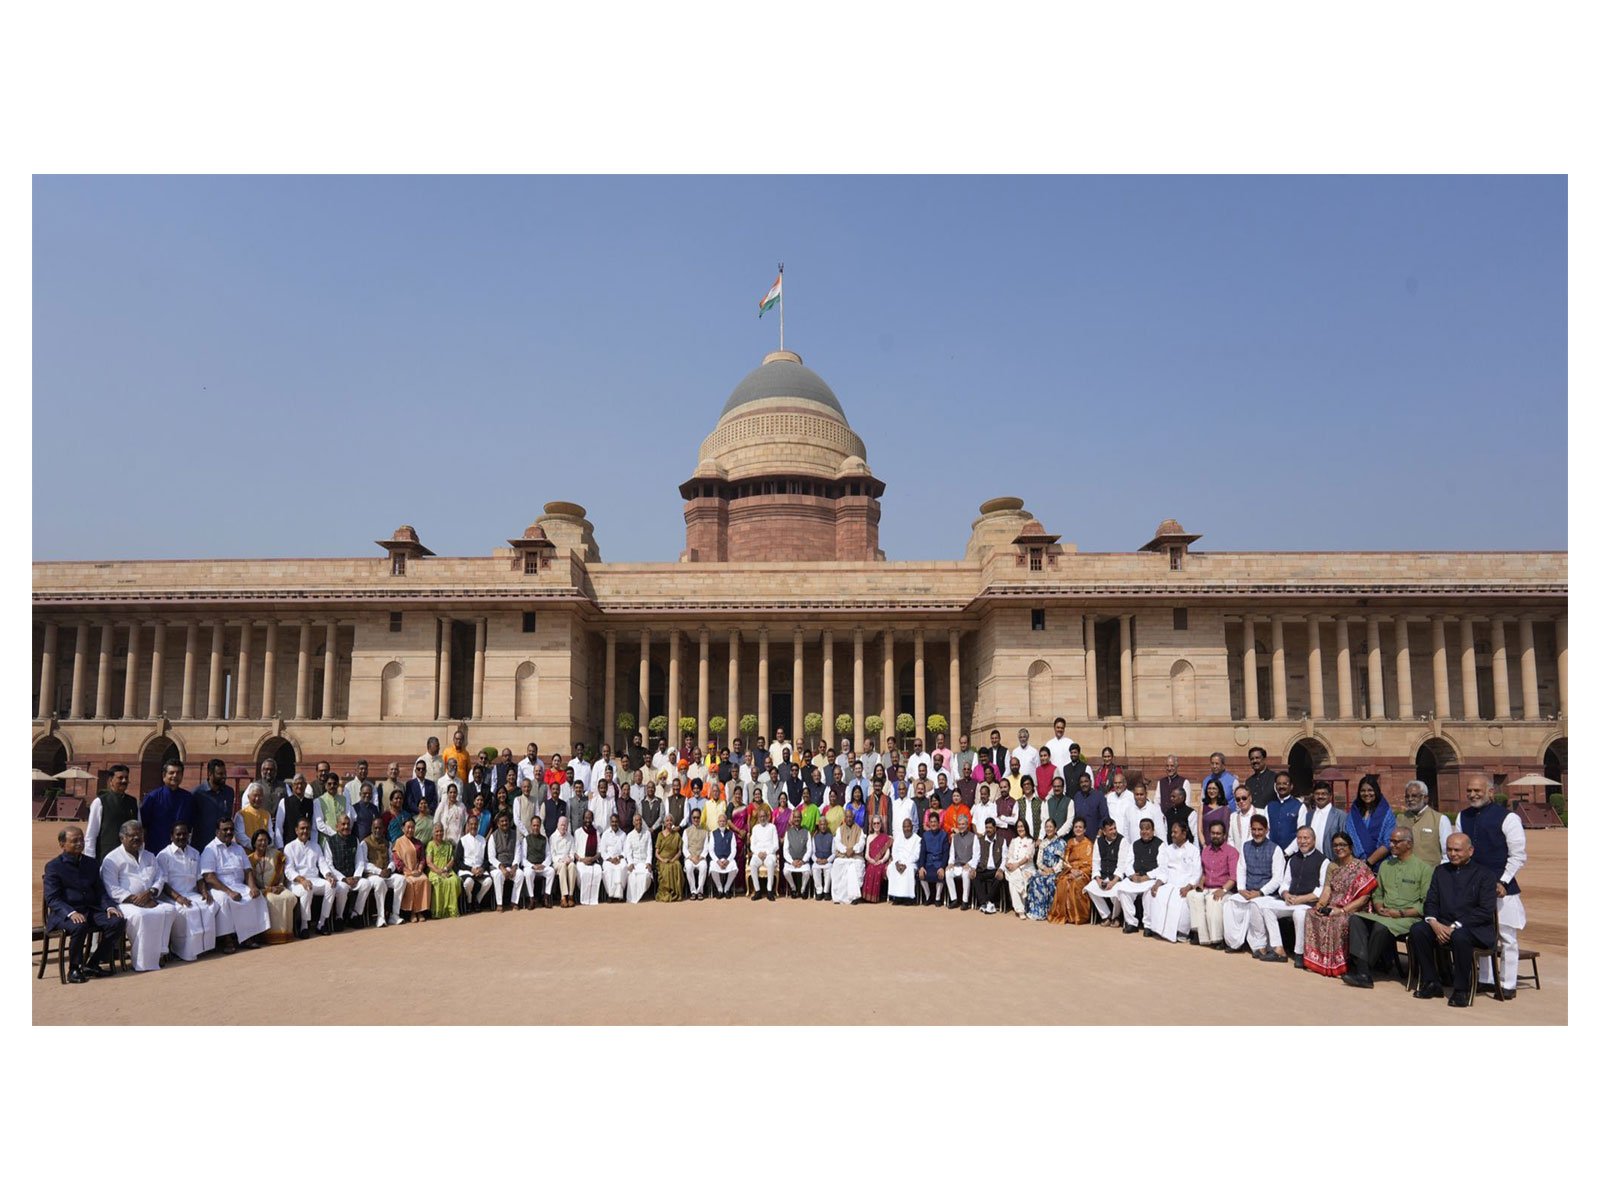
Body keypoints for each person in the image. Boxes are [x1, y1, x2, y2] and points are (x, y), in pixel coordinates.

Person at [1455, 773, 1528, 999]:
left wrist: (1503, 881)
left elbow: (1518, 856)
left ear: (1490, 791)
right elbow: (1456, 851)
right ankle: (1486, 979)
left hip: (1502, 886)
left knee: (1506, 936)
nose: (1472, 794)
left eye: (1477, 790)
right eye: (1469, 791)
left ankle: (1508, 984)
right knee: (1480, 932)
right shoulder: (1462, 816)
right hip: (1473, 887)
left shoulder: (1508, 818)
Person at [1410, 833, 1499, 1006]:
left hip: (1474, 928)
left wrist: (1454, 927)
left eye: (1457, 850)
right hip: (1442, 925)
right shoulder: (1441, 871)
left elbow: (1485, 911)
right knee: (1418, 930)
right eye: (1449, 850)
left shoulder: (1485, 875)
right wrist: (1433, 923)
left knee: (1460, 936)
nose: (1452, 854)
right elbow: (1431, 901)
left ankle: (1461, 989)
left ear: (1470, 851)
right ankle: (1431, 982)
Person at [1345, 828, 1434, 988]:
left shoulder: (1423, 869)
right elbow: (1377, 893)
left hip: (1408, 917)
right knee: (1356, 919)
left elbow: (1426, 903)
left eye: (1396, 842)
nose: (1391, 845)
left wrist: (1401, 913)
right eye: (1391, 841)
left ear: (1408, 844)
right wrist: (1378, 906)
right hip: (1384, 914)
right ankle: (1363, 970)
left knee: (1381, 927)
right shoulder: (1386, 865)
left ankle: (1363, 971)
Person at [43, 826, 125, 981]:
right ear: (62, 844)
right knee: (80, 925)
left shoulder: (91, 863)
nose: (80, 843)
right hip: (64, 914)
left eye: (81, 839)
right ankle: (74, 969)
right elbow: (53, 898)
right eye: (74, 841)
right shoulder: (54, 867)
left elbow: (100, 891)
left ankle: (93, 964)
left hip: (89, 910)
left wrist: (109, 907)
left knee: (117, 922)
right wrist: (71, 913)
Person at [99, 821, 177, 971]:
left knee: (169, 910)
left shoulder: (149, 856)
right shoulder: (112, 859)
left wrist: (150, 893)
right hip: (124, 903)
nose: (136, 838)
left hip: (149, 898)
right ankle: (142, 962)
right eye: (132, 835)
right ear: (122, 838)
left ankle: (159, 953)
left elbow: (160, 877)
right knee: (141, 916)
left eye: (139, 834)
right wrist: (137, 900)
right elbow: (112, 889)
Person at [1301, 831, 1378, 977]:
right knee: (1311, 914)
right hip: (1333, 905)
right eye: (1335, 845)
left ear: (1350, 847)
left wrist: (1342, 911)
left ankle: (1338, 966)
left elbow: (1364, 898)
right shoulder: (1332, 866)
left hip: (1354, 908)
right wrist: (1321, 904)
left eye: (1342, 845)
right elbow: (1327, 889)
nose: (1338, 848)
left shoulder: (1361, 867)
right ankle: (1318, 962)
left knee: (1337, 921)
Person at [1223, 815, 1287, 957]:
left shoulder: (1275, 849)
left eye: (1260, 829)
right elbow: (1241, 869)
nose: (1257, 833)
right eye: (1254, 829)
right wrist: (1241, 889)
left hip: (1268, 895)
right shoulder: (1246, 846)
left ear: (1266, 830)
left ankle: (1260, 945)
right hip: (1247, 891)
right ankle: (1234, 943)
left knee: (1255, 905)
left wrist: (1260, 893)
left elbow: (1277, 879)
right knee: (1230, 903)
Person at [156, 823, 218, 960]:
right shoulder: (163, 855)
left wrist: (204, 892)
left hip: (192, 894)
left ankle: (203, 948)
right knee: (187, 910)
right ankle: (183, 951)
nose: (182, 837)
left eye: (185, 834)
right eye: (178, 834)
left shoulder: (194, 853)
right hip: (171, 896)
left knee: (210, 905)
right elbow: (163, 883)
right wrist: (178, 898)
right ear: (171, 836)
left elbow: (199, 878)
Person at [1144, 820, 1202, 942]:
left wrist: (1188, 887)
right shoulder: (1168, 849)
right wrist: (1157, 883)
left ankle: (1181, 932)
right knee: (1152, 893)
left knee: (1182, 902)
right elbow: (1164, 870)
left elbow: (1197, 872)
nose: (1172, 835)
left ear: (1184, 834)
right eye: (1171, 832)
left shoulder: (1193, 850)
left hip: (1184, 886)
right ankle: (1153, 927)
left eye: (1175, 832)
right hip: (1169, 884)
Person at [284, 818, 342, 936]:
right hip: (297, 882)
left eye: (307, 829)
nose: (305, 831)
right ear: (296, 830)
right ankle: (304, 926)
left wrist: (328, 875)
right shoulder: (289, 847)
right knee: (307, 888)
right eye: (302, 828)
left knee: (331, 885)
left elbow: (322, 864)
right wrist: (302, 880)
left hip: (314, 880)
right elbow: (288, 870)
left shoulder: (315, 846)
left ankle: (321, 923)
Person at [1188, 821, 1239, 948]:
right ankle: (1201, 935)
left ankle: (1218, 939)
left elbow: (1233, 877)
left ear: (1224, 835)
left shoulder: (1231, 852)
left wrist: (1223, 890)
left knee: (1213, 901)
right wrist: (1200, 884)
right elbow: (1204, 872)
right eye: (1213, 833)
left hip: (1224, 888)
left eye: (1218, 833)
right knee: (1193, 895)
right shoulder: (1206, 851)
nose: (1215, 836)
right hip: (1207, 887)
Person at [247, 829, 300, 942]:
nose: (263, 843)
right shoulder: (249, 859)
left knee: (289, 897)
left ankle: (287, 933)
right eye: (260, 840)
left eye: (265, 840)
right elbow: (249, 879)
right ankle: (270, 936)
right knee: (272, 899)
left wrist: (280, 885)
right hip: (261, 890)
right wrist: (267, 889)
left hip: (278, 887)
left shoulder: (276, 854)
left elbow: (281, 873)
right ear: (254, 843)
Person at [1113, 819, 1164, 933]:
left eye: (1147, 829)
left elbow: (1162, 867)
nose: (1144, 831)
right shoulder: (1135, 844)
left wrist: (1147, 876)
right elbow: (1127, 863)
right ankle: (1131, 923)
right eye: (1142, 829)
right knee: (1122, 889)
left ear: (1153, 830)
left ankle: (1148, 925)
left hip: (1150, 879)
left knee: (1149, 893)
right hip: (1136, 879)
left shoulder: (1160, 844)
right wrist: (1132, 875)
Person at [84, 764, 140, 861]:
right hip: (107, 855)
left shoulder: (133, 802)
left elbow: (139, 829)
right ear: (111, 781)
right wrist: (90, 860)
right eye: (120, 778)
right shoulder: (100, 802)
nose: (124, 781)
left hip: (129, 856)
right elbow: (91, 834)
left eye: (126, 778)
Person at [1046, 817, 1094, 925]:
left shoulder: (1088, 844)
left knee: (1075, 884)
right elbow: (1065, 861)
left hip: (1084, 873)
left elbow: (1090, 864)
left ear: (1085, 829)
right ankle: (1063, 915)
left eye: (1080, 827)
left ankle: (1077, 916)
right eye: (1076, 827)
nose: (1078, 829)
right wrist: (1071, 870)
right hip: (1070, 871)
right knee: (1062, 882)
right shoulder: (1070, 842)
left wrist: (1080, 872)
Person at [1394, 779, 1451, 868]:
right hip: (1404, 873)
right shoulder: (1400, 819)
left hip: (1431, 874)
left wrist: (1439, 872)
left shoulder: (1440, 819)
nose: (1410, 799)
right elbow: (1395, 848)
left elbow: (1447, 853)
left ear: (1425, 798)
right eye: (1407, 796)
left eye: (1414, 796)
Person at [1084, 817, 1130, 926]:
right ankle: (1106, 915)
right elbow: (1095, 862)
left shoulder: (1122, 841)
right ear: (1104, 832)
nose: (1114, 831)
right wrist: (1098, 880)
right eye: (1111, 830)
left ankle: (1116, 917)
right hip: (1103, 876)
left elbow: (1122, 865)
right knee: (1091, 888)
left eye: (1115, 828)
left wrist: (1113, 882)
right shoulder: (1098, 841)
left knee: (1118, 891)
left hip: (1116, 878)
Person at [360, 819, 406, 926]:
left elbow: (392, 860)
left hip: (386, 874)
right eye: (375, 828)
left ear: (383, 829)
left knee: (401, 880)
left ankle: (395, 915)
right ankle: (381, 917)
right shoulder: (365, 843)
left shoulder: (387, 843)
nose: (377, 830)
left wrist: (389, 869)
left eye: (380, 828)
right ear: (371, 828)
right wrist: (379, 871)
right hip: (372, 876)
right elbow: (364, 864)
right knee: (380, 882)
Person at [191, 759, 236, 856]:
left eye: (225, 773)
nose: (224, 777)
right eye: (220, 774)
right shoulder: (197, 794)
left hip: (224, 847)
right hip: (202, 846)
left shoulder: (229, 792)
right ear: (210, 774)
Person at [390, 818, 431, 923]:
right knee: (410, 882)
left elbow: (422, 858)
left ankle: (420, 911)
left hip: (417, 871)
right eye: (408, 827)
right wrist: (408, 871)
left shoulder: (418, 843)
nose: (410, 830)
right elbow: (397, 860)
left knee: (424, 880)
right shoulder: (399, 842)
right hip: (405, 872)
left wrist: (420, 869)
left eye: (412, 827)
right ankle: (412, 912)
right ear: (403, 829)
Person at [1024, 820, 1065, 920]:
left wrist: (1052, 870)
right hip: (1044, 870)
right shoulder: (1043, 843)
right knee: (1034, 879)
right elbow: (1038, 862)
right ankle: (1036, 911)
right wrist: (1045, 869)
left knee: (1049, 881)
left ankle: (1049, 911)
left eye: (1051, 827)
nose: (1048, 829)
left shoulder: (1061, 843)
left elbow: (1062, 861)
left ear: (1055, 829)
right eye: (1047, 827)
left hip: (1056, 872)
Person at [456, 813, 492, 913]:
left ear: (478, 825)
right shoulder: (463, 840)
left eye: (475, 824)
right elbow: (458, 861)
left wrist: (482, 868)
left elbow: (486, 859)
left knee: (488, 881)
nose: (473, 826)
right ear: (467, 825)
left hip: (480, 870)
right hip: (467, 870)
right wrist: (470, 869)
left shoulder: (483, 840)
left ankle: (477, 900)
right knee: (468, 882)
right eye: (471, 824)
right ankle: (469, 900)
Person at [1305, 779, 1349, 857]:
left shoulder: (1339, 815)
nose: (1320, 796)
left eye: (1324, 794)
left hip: (1332, 861)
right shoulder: (1309, 815)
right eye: (1317, 794)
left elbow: (1344, 841)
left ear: (1330, 796)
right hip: (1312, 860)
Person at [1003, 820, 1036, 917]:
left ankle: (1019, 909)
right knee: (1011, 872)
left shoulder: (1031, 841)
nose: (1020, 829)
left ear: (1026, 827)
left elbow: (1028, 857)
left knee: (1012, 881)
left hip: (1027, 868)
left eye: (1022, 826)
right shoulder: (1014, 840)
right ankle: (1022, 891)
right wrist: (1008, 864)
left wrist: (1016, 865)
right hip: (1013, 867)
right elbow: (1009, 855)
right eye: (1018, 827)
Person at [831, 809, 866, 904]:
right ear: (844, 818)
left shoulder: (859, 829)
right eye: (847, 817)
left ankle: (853, 897)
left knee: (857, 865)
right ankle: (838, 897)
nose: (849, 819)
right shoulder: (840, 829)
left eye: (850, 817)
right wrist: (846, 850)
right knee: (837, 864)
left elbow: (862, 843)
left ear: (853, 818)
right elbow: (837, 842)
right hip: (843, 856)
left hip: (855, 857)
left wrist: (853, 849)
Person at [917, 809, 950, 905]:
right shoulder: (925, 835)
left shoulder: (944, 835)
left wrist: (942, 867)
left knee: (940, 874)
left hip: (939, 862)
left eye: (935, 821)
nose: (933, 824)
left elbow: (946, 853)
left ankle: (937, 898)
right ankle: (928, 896)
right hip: (929, 862)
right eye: (931, 822)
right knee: (922, 874)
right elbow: (922, 853)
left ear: (939, 822)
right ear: (928, 823)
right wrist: (921, 866)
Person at [277, 774, 319, 850]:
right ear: (292, 786)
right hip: (288, 845)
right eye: (297, 784)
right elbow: (279, 827)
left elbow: (313, 828)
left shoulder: (311, 803)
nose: (299, 786)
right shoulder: (284, 802)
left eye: (302, 784)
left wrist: (314, 845)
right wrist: (280, 846)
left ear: (306, 785)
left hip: (307, 846)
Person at [747, 808, 780, 900]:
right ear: (758, 818)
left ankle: (769, 891)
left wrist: (767, 852)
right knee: (752, 864)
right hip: (758, 854)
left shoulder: (772, 827)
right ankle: (757, 891)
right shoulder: (755, 828)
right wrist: (758, 853)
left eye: (764, 816)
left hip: (769, 854)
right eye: (760, 816)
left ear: (767, 817)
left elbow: (776, 845)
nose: (762, 818)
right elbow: (752, 846)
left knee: (770, 864)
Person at [888, 818, 921, 904]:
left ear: (912, 827)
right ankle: (897, 897)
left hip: (910, 863)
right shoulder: (898, 837)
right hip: (898, 861)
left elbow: (916, 855)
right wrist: (897, 862)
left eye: (908, 826)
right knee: (891, 868)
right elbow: (894, 851)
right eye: (904, 827)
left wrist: (905, 864)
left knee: (909, 870)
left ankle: (908, 898)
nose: (906, 829)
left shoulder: (917, 839)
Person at [548, 815, 578, 908]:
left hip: (568, 861)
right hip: (558, 863)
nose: (563, 827)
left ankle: (571, 896)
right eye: (561, 825)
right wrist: (561, 860)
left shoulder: (570, 837)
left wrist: (570, 858)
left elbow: (573, 852)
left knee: (573, 866)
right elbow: (552, 855)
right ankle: (563, 896)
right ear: (557, 825)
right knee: (562, 866)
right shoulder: (553, 837)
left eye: (565, 825)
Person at [707, 812, 739, 899]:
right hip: (717, 859)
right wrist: (717, 861)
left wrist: (728, 860)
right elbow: (711, 850)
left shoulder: (731, 834)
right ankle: (720, 889)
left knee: (734, 866)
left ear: (726, 822)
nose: (722, 823)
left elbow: (734, 849)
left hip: (728, 859)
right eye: (720, 821)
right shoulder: (713, 834)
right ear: (718, 822)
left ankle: (726, 889)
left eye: (724, 821)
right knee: (712, 866)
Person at [236, 782, 275, 849]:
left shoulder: (266, 814)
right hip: (246, 853)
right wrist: (256, 846)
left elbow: (271, 834)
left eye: (260, 796)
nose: (257, 799)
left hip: (264, 852)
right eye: (255, 796)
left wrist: (265, 845)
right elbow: (240, 836)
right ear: (248, 797)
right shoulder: (241, 814)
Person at [782, 815, 813, 898]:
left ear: (801, 819)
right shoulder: (788, 833)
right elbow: (785, 850)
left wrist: (803, 861)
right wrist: (792, 861)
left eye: (798, 817)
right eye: (795, 817)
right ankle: (793, 889)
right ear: (792, 819)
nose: (797, 819)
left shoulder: (807, 832)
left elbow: (809, 849)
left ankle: (803, 890)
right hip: (791, 862)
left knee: (807, 872)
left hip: (803, 862)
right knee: (786, 872)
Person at [654, 819, 685, 902]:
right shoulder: (660, 835)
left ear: (673, 823)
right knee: (666, 868)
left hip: (673, 859)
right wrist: (663, 860)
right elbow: (656, 853)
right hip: (662, 860)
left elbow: (679, 852)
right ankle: (666, 892)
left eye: (671, 820)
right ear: (664, 823)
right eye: (667, 820)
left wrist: (673, 859)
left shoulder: (677, 835)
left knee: (677, 865)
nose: (669, 822)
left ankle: (675, 893)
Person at [1243, 746, 1276, 811]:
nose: (1254, 761)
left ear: (1264, 759)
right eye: (1252, 759)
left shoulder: (1274, 777)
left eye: (1257, 758)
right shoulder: (1248, 781)